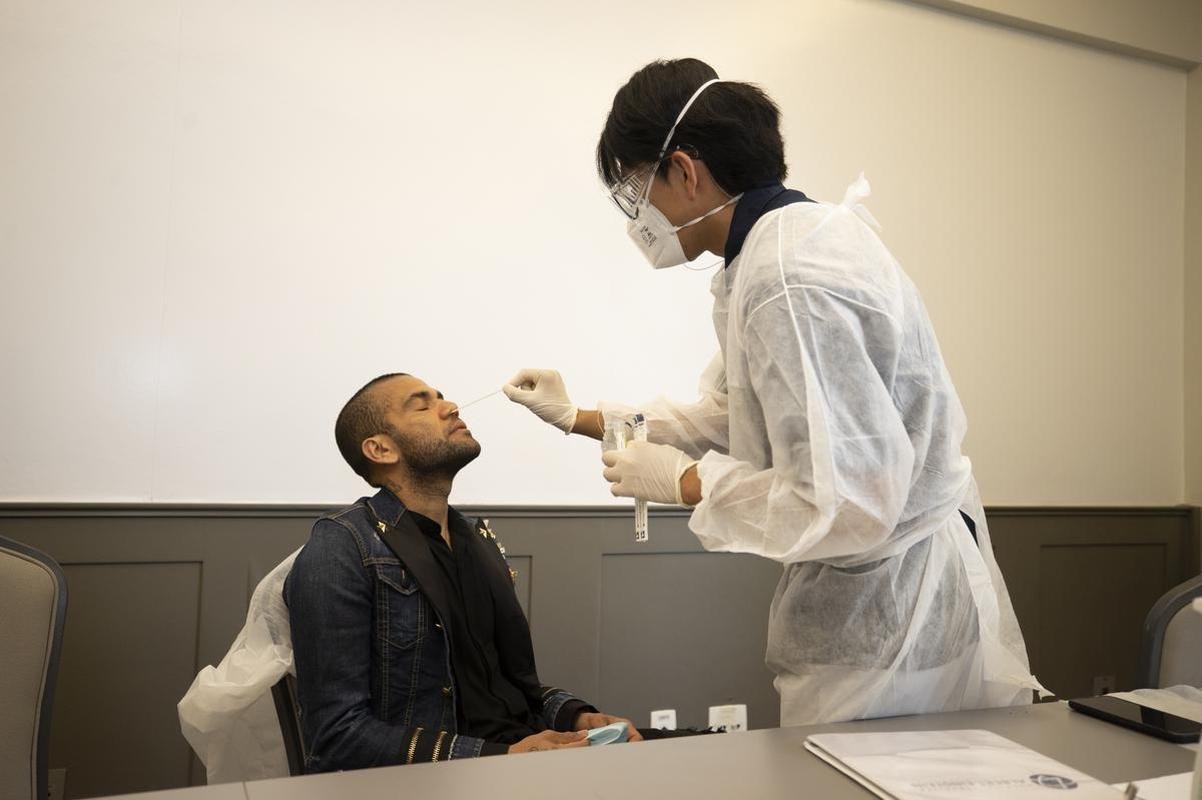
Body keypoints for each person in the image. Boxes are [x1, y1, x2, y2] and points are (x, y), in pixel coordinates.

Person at [503, 58, 1044, 725]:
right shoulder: (783, 244)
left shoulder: (787, 278)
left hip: (890, 618)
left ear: (684, 170)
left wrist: (685, 482)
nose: (637, 212)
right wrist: (577, 416)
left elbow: (851, 499)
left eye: (635, 187)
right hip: (895, 591)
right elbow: (739, 412)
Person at [284, 372, 640, 772]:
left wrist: (575, 717)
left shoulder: (475, 538)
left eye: (442, 397)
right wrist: (504, 756)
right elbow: (336, 734)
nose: (450, 406)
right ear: (380, 449)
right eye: (422, 404)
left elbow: (510, 688)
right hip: (435, 781)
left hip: (514, 761)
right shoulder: (341, 547)